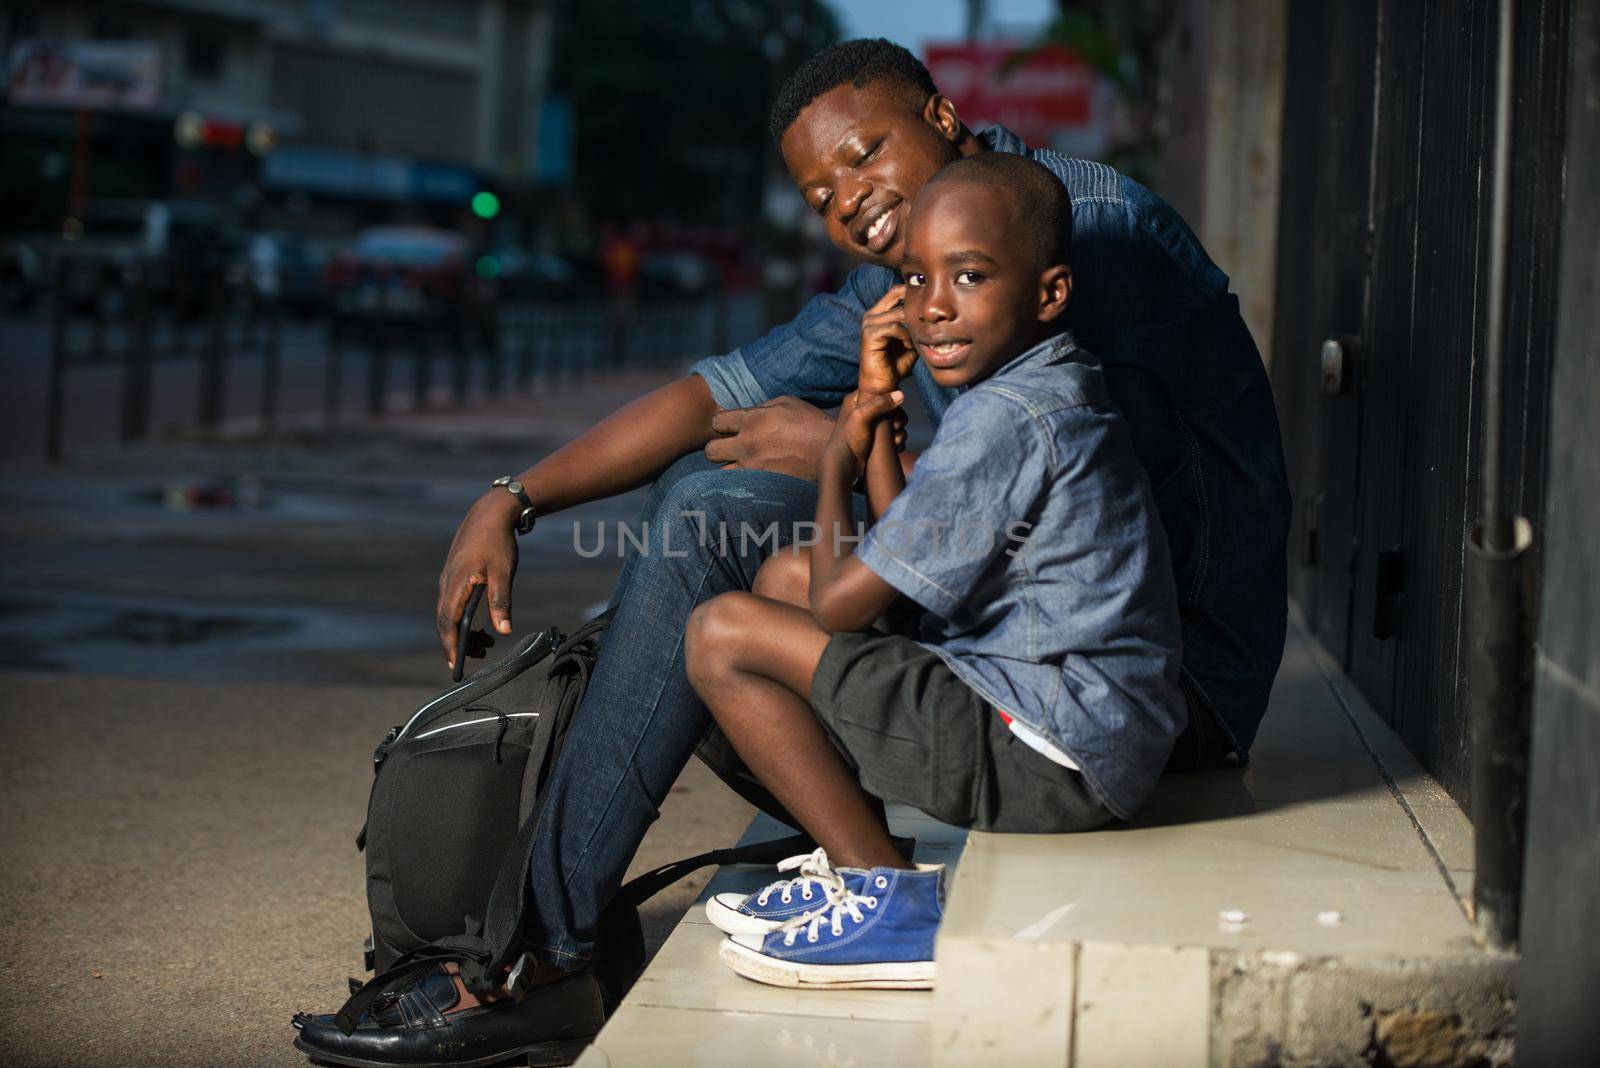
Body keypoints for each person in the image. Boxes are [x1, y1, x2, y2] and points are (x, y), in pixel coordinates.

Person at [293, 38, 1289, 1065]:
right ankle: (806, 881)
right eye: (821, 191)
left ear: (944, 119)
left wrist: (847, 453)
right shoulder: (920, 267)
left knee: (718, 553)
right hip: (1030, 644)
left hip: (1153, 685)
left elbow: (1073, 493)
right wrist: (512, 497)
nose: (849, 198)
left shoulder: (1073, 239)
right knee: (713, 513)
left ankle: (540, 956)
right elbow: (707, 397)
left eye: (864, 155)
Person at [687, 152, 1184, 988]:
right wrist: (878, 412)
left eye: (971, 276)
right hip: (1088, 731)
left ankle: (892, 900)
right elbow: (900, 542)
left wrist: (838, 455)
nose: (933, 308)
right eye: (915, 279)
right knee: (783, 579)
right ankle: (858, 863)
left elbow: (845, 606)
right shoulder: (1043, 380)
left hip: (1053, 755)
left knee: (719, 634)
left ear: (1048, 293)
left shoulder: (1003, 416)